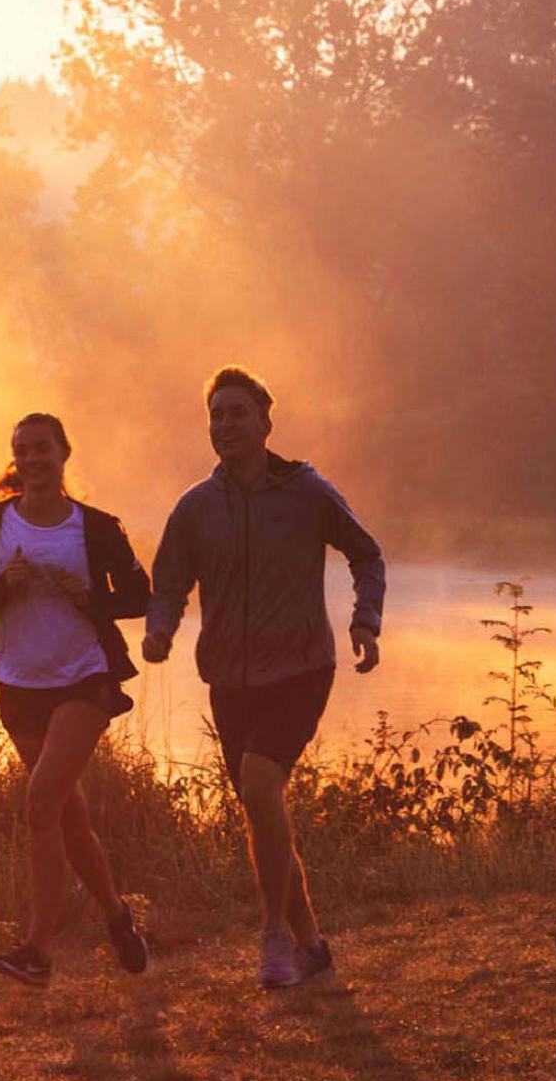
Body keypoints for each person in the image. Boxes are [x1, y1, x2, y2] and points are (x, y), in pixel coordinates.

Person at [141, 366, 385, 990]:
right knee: (261, 805)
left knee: (257, 784)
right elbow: (169, 581)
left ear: (266, 421)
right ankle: (312, 946)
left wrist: (366, 619)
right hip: (229, 678)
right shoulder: (196, 507)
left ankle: (273, 935)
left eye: (236, 413)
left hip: (302, 666)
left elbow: (366, 552)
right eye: (216, 415)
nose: (224, 425)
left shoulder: (306, 492)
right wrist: (161, 629)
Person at [0, 412, 152, 988]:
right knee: (68, 818)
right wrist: (2, 587)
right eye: (23, 451)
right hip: (20, 686)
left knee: (40, 804)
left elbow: (142, 595)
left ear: (64, 453)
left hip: (83, 681)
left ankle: (37, 951)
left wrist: (92, 596)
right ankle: (118, 917)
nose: (33, 459)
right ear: (16, 461)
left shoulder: (94, 528)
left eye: (43, 449)